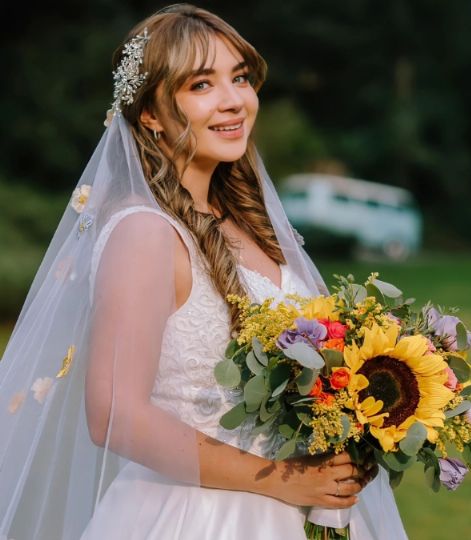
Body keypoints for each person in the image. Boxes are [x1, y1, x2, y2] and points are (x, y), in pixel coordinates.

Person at [0, 5, 405, 539]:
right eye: (201, 85)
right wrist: (280, 479)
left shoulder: (249, 224)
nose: (234, 100)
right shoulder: (144, 233)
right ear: (149, 113)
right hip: (199, 517)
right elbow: (116, 414)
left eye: (239, 78)